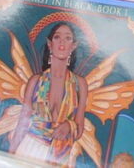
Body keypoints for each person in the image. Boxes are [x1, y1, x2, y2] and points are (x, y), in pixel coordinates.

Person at [10, 22, 89, 166]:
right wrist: (7, 158)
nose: (62, 42)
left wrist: (69, 126)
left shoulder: (80, 84)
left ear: (74, 45)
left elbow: (79, 129)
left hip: (59, 156)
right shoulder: (35, 81)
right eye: (57, 37)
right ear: (49, 43)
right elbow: (22, 123)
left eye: (68, 38)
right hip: (30, 149)